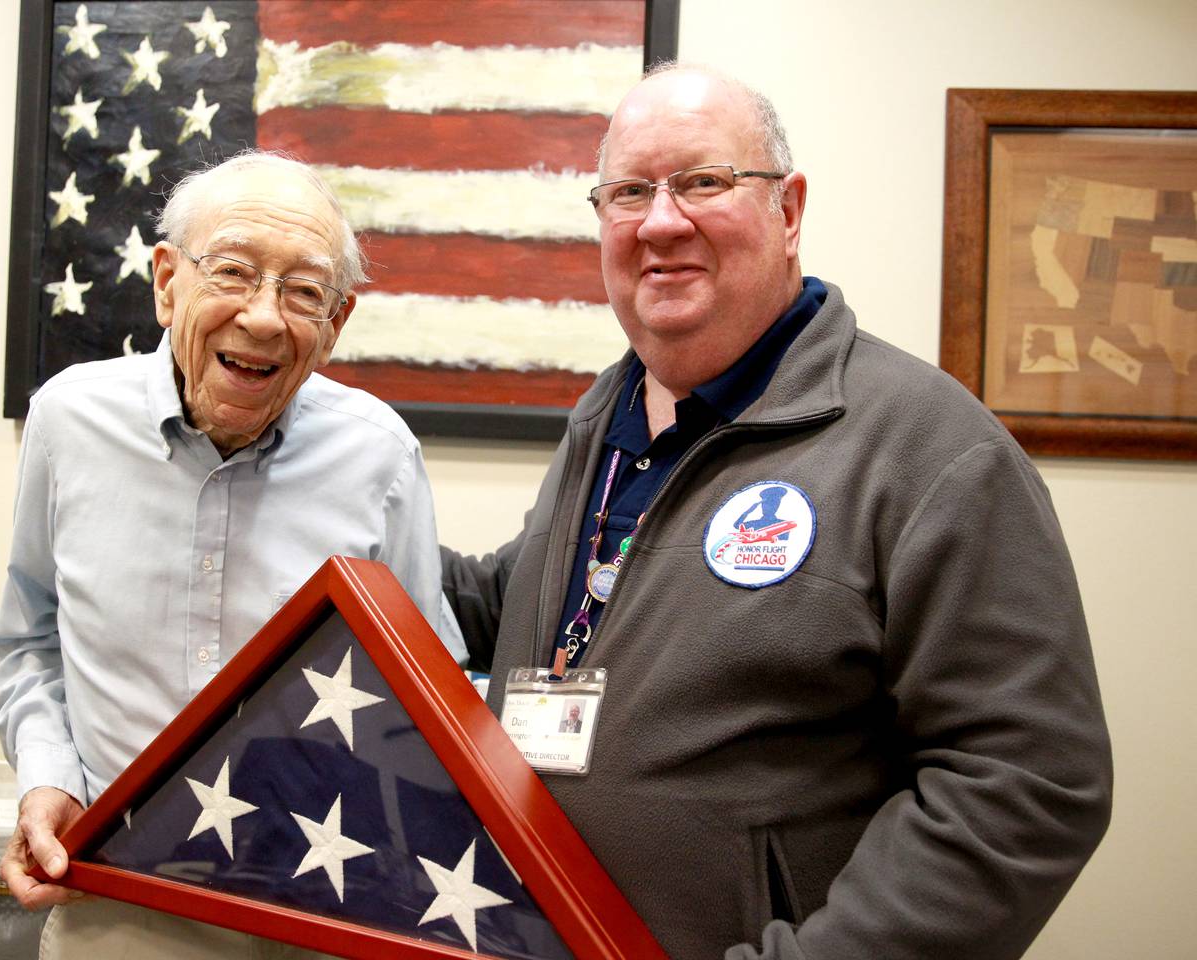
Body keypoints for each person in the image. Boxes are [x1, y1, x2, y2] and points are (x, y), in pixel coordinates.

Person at [443, 64, 1112, 960]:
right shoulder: (609, 414)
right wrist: (323, 522)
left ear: (788, 209)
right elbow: (545, 601)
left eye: (704, 182)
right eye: (630, 192)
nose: (661, 221)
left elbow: (1026, 786)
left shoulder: (930, 449)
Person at [0, 151, 458, 957]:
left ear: (336, 323)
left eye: (304, 291)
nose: (266, 317)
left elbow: (429, 687)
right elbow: (30, 644)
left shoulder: (380, 456)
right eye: (234, 272)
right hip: (113, 899)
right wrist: (49, 778)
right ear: (168, 282)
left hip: (319, 909)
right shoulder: (67, 422)